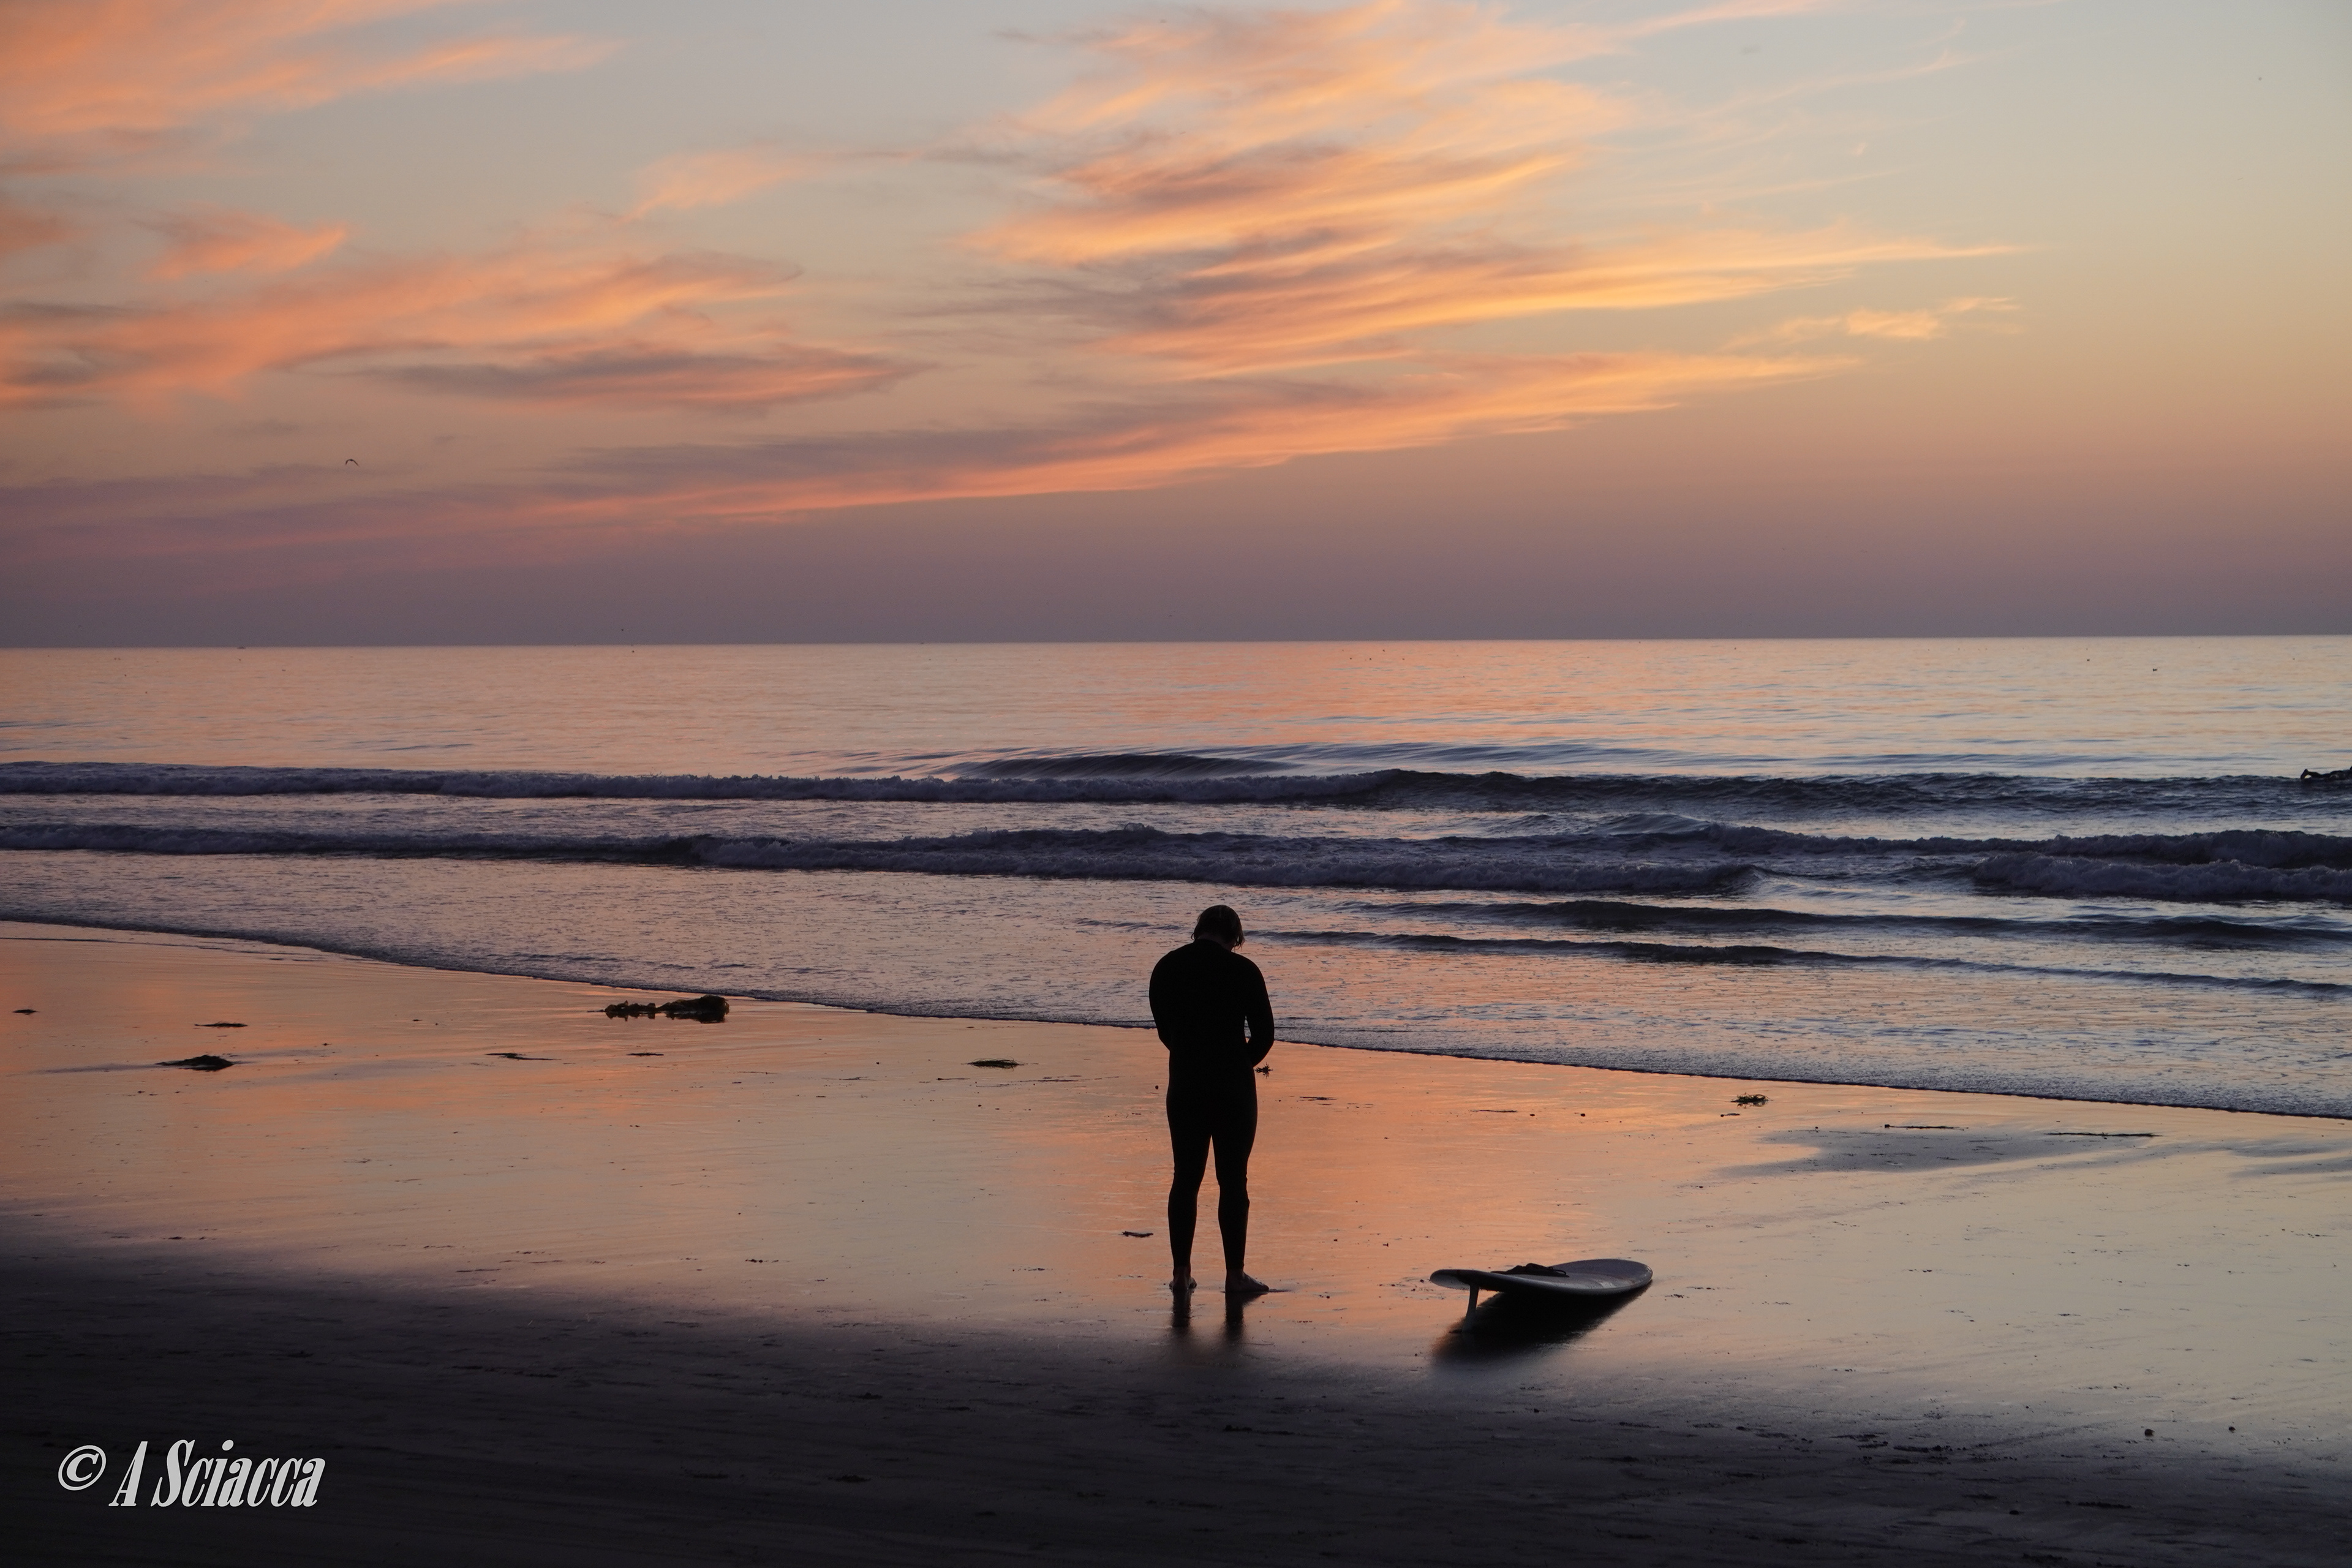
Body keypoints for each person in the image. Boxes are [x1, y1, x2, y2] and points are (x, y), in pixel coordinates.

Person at [1148, 904, 1275, 1297]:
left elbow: (1165, 1030)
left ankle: (1182, 1274)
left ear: (1198, 930)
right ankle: (1234, 1277)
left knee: (1185, 1178)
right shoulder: (1244, 971)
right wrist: (1237, 1063)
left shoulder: (1167, 967)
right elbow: (1265, 1035)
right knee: (1232, 1181)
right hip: (1233, 1088)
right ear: (1234, 937)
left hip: (1185, 1083)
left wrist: (1190, 1056)